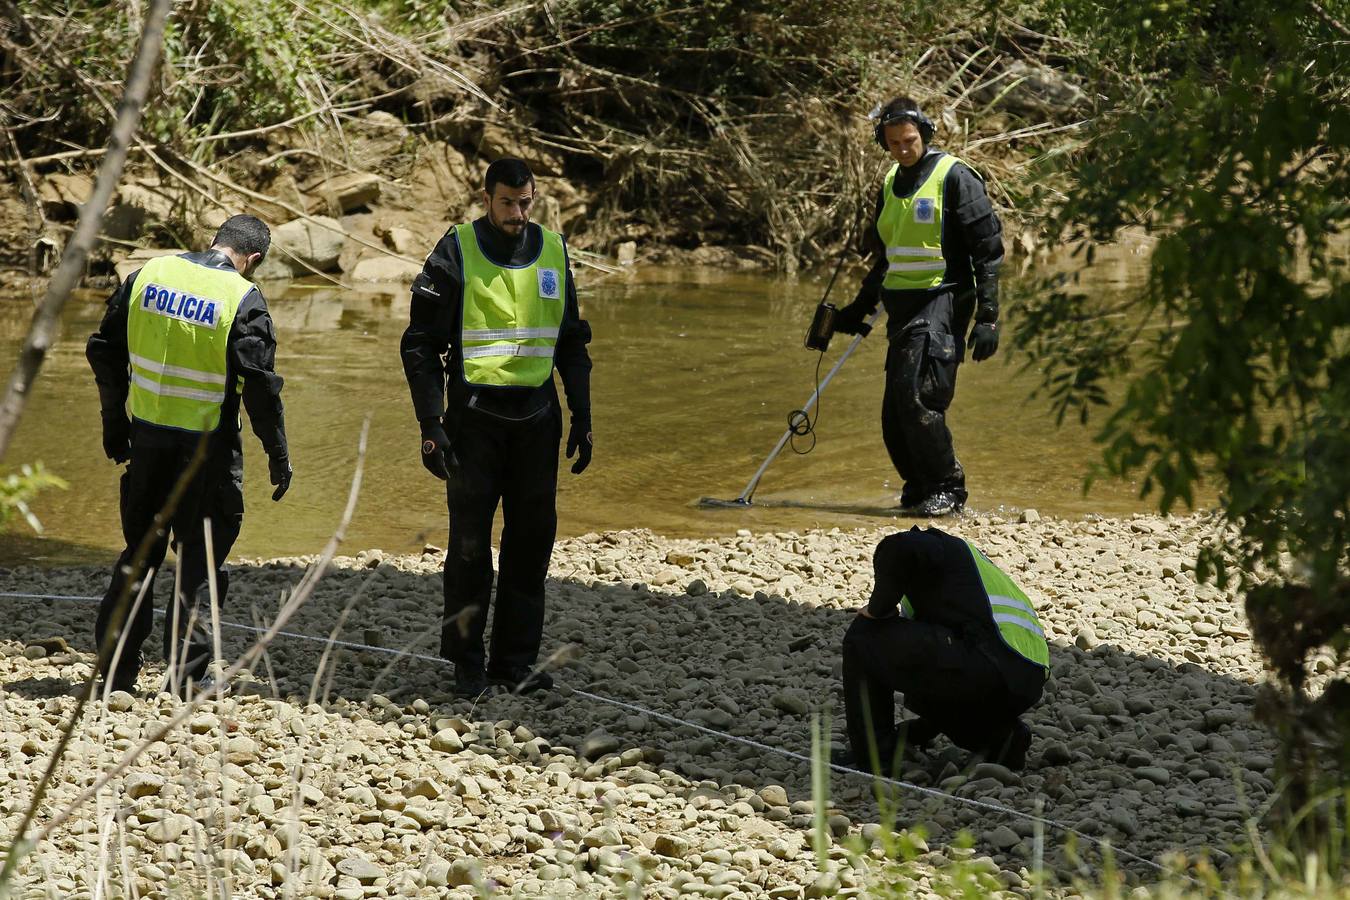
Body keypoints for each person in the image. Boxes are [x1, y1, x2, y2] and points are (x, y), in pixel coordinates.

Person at [400, 157, 593, 698]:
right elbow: (419, 343)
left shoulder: (554, 251)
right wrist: (430, 422)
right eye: (507, 202)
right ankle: (465, 660)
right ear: (486, 198)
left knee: (532, 544)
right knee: (467, 548)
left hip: (537, 419)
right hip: (472, 421)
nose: (517, 212)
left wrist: (582, 413)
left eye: (525, 201)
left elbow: (572, 341)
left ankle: (515, 661)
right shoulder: (457, 249)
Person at [86, 214, 291, 696]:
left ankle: (115, 673)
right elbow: (261, 388)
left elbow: (105, 352)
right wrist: (277, 454)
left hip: (148, 441)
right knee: (199, 565)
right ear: (253, 260)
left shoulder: (148, 276)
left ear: (213, 240)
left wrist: (114, 424)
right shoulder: (242, 298)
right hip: (208, 455)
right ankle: (186, 679)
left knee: (139, 556)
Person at [832, 96, 1004, 517]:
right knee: (894, 414)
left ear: (924, 135)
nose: (902, 149)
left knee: (919, 398)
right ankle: (919, 487)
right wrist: (858, 307)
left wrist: (988, 317)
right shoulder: (891, 182)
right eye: (893, 143)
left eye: (909, 140)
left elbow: (988, 251)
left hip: (943, 300)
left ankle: (948, 488)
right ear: (884, 143)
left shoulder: (955, 177)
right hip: (903, 308)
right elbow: (887, 255)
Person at [840, 526, 1048, 773]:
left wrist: (877, 609)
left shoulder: (936, 546)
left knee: (862, 637)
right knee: (923, 679)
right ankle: (1002, 741)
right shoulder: (961, 581)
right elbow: (935, 676)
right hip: (1023, 678)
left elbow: (898, 548)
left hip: (990, 660)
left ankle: (874, 757)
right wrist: (917, 731)